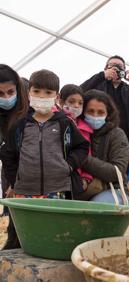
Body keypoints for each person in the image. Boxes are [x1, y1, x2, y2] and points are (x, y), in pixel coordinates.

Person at [1, 69, 89, 203]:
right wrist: (15, 180)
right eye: (36, 91)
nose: (42, 96)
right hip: (24, 191)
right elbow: (8, 154)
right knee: (26, 223)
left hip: (57, 189)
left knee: (54, 223)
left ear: (57, 97)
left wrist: (68, 165)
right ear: (28, 94)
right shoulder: (20, 125)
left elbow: (82, 147)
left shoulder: (65, 123)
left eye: (48, 92)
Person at [81, 55, 129, 149]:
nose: (116, 68)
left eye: (120, 66)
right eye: (112, 65)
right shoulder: (98, 84)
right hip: (99, 136)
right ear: (106, 68)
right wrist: (102, 76)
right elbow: (80, 92)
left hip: (125, 139)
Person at [79, 89, 129, 201]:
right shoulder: (75, 131)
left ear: (108, 114)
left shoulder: (117, 135)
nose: (95, 116)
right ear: (83, 112)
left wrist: (80, 157)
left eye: (101, 112)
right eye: (90, 111)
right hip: (79, 188)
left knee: (97, 208)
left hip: (111, 189)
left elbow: (117, 172)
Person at [0, 64, 29, 249]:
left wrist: (16, 184)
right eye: (0, 94)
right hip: (9, 168)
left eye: (10, 91)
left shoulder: (27, 112)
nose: (7, 97)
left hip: (29, 169)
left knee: (22, 221)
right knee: (13, 215)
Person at [58, 84, 93, 190]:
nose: (77, 106)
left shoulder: (85, 129)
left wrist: (86, 178)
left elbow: (87, 155)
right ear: (61, 101)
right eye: (72, 101)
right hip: (56, 174)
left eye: (80, 103)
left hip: (75, 178)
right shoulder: (55, 121)